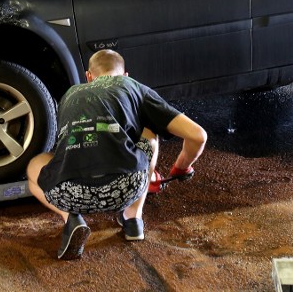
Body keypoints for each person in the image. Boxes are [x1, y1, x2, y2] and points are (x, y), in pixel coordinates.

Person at [26, 49, 208, 260]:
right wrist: (181, 168)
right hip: (125, 188)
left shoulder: (71, 93)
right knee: (150, 133)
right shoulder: (133, 87)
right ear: (125, 76)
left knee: (35, 165)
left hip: (67, 193)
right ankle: (133, 220)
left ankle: (72, 219)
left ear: (88, 76)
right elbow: (198, 136)